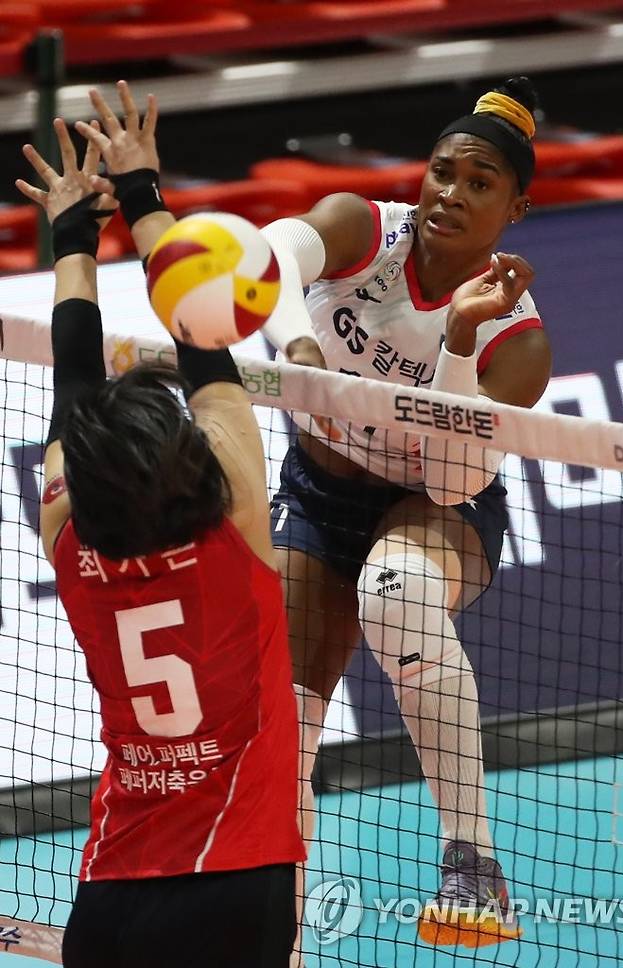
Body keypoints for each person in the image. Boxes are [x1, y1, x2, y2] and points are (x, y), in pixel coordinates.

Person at [258, 76, 552, 953]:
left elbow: (457, 480)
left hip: (435, 508)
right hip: (317, 500)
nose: (450, 193)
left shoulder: (518, 341)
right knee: (278, 736)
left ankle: (473, 863)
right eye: (442, 171)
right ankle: (280, 944)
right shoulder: (364, 230)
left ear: (515, 209)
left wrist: (457, 339)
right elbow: (271, 251)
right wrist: (299, 348)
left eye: (479, 183)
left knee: (396, 593)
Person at [18, 83, 304, 968]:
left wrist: (72, 238)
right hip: (239, 882)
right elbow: (202, 332)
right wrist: (141, 194)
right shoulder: (238, 524)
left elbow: (72, 383)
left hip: (111, 898)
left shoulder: (67, 537)